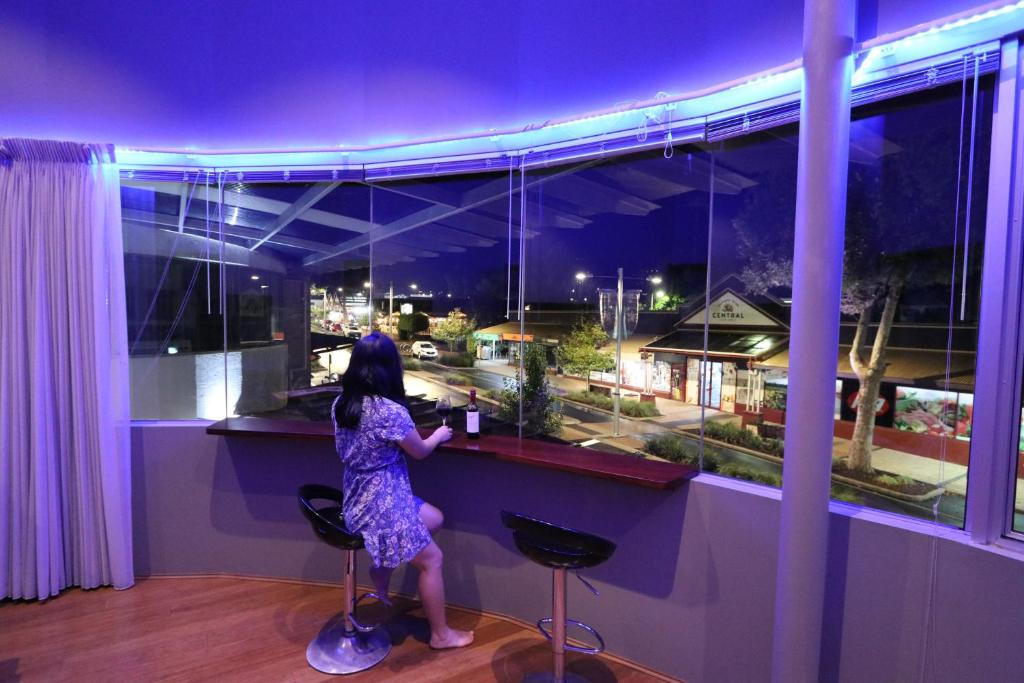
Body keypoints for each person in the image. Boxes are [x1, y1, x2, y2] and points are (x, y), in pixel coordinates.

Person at [331, 332, 474, 650]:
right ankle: (441, 635)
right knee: (432, 560)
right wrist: (439, 434)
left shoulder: (342, 403)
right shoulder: (388, 411)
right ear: (389, 368)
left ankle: (381, 567)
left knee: (433, 518)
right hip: (383, 502)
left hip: (356, 498)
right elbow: (420, 451)